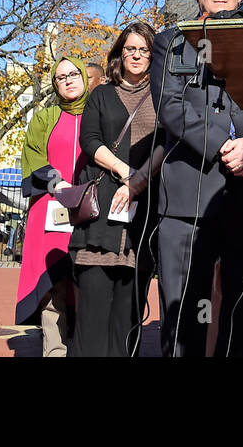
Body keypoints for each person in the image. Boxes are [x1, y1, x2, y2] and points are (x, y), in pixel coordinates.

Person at [152, 0, 243, 357]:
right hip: (186, 196)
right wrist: (221, 143)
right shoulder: (172, 40)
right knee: (183, 318)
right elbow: (169, 103)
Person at [71, 24, 164, 357]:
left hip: (142, 218)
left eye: (144, 50)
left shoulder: (163, 94)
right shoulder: (101, 94)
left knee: (127, 320)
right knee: (91, 318)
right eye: (130, 49)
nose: (136, 56)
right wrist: (126, 172)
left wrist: (140, 181)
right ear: (119, 54)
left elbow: (166, 143)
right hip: (100, 218)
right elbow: (90, 140)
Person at [16, 56, 91, 356]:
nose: (69, 80)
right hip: (50, 209)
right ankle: (54, 351)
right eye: (61, 77)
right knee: (53, 285)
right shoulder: (44, 117)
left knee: (88, 282)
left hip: (90, 208)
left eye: (74, 74)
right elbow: (33, 154)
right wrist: (55, 182)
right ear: (55, 84)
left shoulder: (98, 112)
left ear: (85, 77)